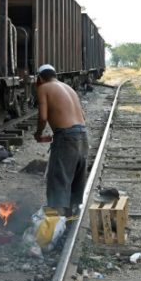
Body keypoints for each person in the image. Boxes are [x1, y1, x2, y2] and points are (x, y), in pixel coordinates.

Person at [34, 64, 89, 217]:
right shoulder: (68, 88)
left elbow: (43, 117)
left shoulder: (43, 88)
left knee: (59, 178)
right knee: (76, 179)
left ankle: (56, 222)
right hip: (83, 136)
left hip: (66, 137)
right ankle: (71, 216)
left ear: (40, 78)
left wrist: (38, 134)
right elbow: (83, 116)